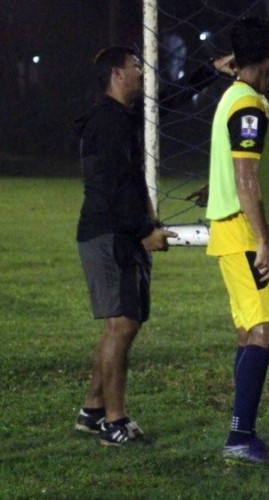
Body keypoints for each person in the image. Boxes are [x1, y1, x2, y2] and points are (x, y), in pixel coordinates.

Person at [74, 46, 177, 446]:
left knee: (121, 325)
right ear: (118, 73)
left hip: (117, 231)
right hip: (110, 233)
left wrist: (208, 73)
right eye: (136, 66)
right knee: (121, 325)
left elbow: (163, 106)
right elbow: (114, 185)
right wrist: (141, 230)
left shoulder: (119, 116)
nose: (142, 73)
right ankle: (114, 422)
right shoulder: (109, 122)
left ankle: (93, 410)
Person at [205, 16, 269, 467]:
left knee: (249, 332)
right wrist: (262, 240)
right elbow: (244, 175)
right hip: (244, 230)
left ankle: (240, 433)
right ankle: (240, 436)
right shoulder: (248, 106)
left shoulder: (242, 98)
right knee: (268, 331)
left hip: (239, 227)